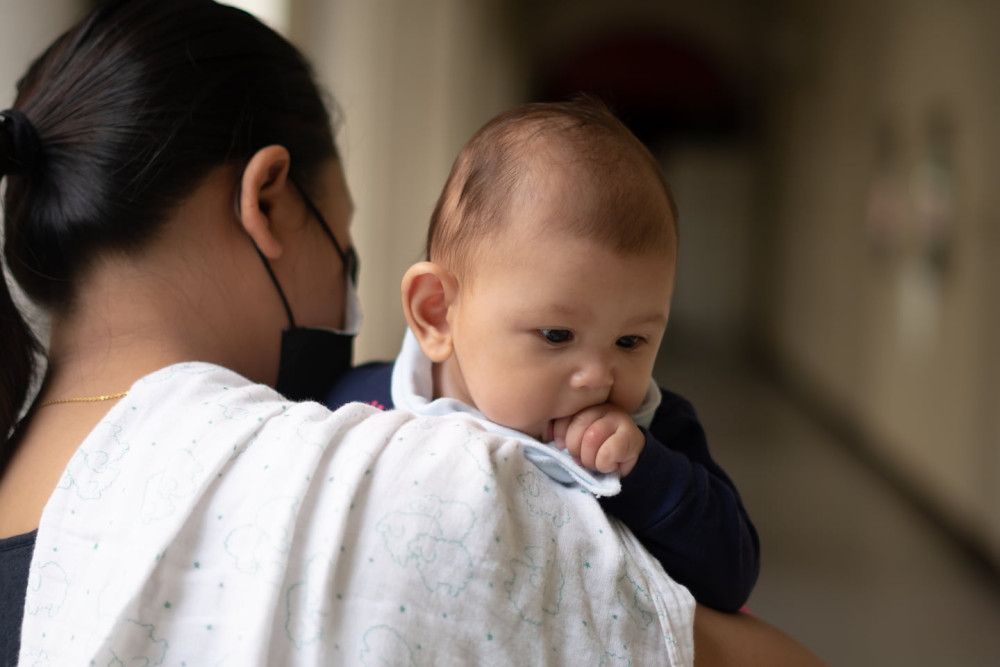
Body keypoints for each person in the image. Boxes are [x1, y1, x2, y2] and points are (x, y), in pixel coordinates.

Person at [0, 1, 825, 665]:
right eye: (346, 239)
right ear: (271, 200)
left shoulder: (31, 493)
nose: (594, 374)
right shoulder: (398, 473)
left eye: (632, 342)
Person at [326, 98, 759, 612]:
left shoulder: (654, 435)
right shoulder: (359, 408)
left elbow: (731, 576)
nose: (597, 378)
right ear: (438, 314)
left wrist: (643, 472)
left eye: (631, 342)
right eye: (557, 335)